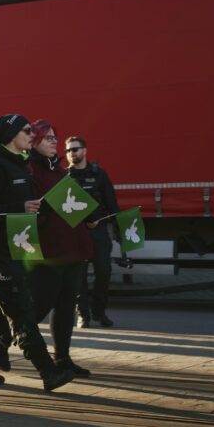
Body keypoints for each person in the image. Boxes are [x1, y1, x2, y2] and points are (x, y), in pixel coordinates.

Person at [0, 114, 76, 393]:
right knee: (20, 309)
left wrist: (39, 208)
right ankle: (47, 370)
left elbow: (18, 206)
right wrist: (20, 207)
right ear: (12, 135)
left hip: (16, 244)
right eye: (26, 131)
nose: (31, 134)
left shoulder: (18, 163)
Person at [27, 121, 92, 377]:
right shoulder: (30, 169)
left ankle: (62, 357)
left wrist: (90, 216)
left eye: (55, 137)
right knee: (42, 303)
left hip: (72, 247)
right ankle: (7, 339)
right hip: (49, 249)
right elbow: (34, 212)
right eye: (47, 138)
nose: (54, 142)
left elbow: (72, 203)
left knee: (66, 304)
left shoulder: (60, 169)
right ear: (34, 142)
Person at [65, 136, 120, 328]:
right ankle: (83, 315)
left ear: (85, 151)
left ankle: (99, 312)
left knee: (104, 271)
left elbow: (112, 204)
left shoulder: (99, 175)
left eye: (76, 149)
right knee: (78, 277)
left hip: (99, 232)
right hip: (76, 234)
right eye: (69, 150)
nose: (72, 153)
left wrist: (119, 230)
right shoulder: (65, 178)